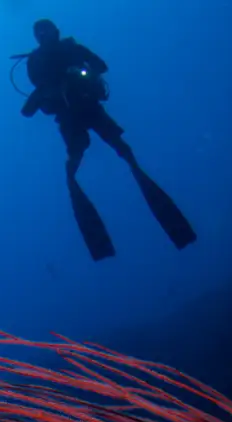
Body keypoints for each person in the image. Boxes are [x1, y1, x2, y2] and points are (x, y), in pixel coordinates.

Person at [19, 19, 197, 260]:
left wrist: (83, 73)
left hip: (88, 109)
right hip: (71, 117)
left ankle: (172, 229)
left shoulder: (71, 50)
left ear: (55, 32)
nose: (45, 36)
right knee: (85, 162)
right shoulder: (37, 62)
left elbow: (101, 66)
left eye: (47, 32)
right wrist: (49, 91)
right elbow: (31, 103)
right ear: (38, 38)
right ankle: (102, 244)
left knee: (120, 153)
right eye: (41, 34)